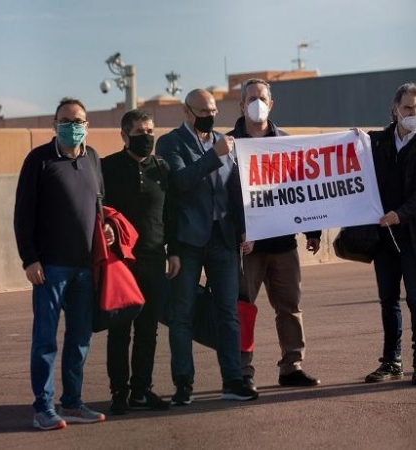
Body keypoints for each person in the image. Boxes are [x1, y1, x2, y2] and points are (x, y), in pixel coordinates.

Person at [155, 89, 258, 404]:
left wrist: (245, 229)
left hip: (223, 238)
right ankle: (183, 383)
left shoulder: (225, 142)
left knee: (228, 312)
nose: (209, 115)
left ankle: (233, 380)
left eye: (213, 109)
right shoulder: (171, 143)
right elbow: (181, 181)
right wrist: (214, 155)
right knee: (182, 315)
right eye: (203, 110)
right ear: (186, 112)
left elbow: (235, 190)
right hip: (187, 241)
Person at [14, 98, 112, 430]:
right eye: (66, 120)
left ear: (88, 124)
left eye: (79, 120)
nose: (73, 126)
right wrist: (30, 258)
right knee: (45, 339)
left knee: (79, 339)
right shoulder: (39, 160)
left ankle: (71, 402)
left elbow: (98, 206)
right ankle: (43, 407)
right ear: (55, 125)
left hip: (85, 267)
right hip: (50, 268)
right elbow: (23, 214)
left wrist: (107, 231)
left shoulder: (93, 158)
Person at [228, 78, 322, 390]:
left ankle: (292, 366)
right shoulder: (229, 146)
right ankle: (242, 372)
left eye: (262, 97)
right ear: (242, 105)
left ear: (272, 103)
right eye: (251, 98)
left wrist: (313, 231)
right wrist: (240, 230)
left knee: (290, 307)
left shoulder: (288, 144)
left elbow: (303, 190)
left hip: (283, 243)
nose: (257, 103)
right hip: (247, 247)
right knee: (243, 309)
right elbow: (223, 197)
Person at [101, 109, 181, 414]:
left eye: (150, 131)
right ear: (124, 136)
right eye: (139, 133)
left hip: (153, 258)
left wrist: (173, 250)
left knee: (149, 328)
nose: (146, 138)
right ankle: (118, 392)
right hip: (121, 262)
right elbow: (99, 211)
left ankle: (141, 390)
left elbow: (170, 213)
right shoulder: (107, 168)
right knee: (119, 329)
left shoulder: (162, 168)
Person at [365, 83, 416, 385]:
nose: (414, 113)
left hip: (413, 236)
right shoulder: (375, 142)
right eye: (408, 108)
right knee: (388, 300)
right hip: (383, 238)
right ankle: (391, 361)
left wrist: (401, 214)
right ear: (395, 109)